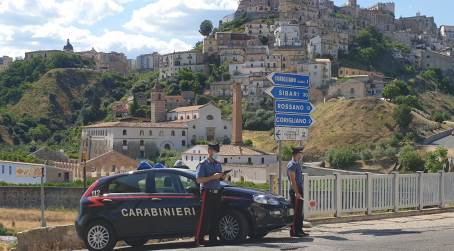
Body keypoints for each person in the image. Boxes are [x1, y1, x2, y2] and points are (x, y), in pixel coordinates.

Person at [194, 143, 225, 246]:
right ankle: (200, 239)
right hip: (207, 193)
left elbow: (218, 178)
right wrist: (213, 177)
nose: (216, 153)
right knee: (205, 217)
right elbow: (199, 180)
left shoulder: (218, 164)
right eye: (215, 151)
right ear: (209, 151)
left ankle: (213, 239)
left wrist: (222, 177)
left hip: (216, 192)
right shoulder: (203, 164)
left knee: (215, 216)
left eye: (217, 151)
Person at [287, 146, 309, 238]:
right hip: (296, 189)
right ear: (297, 154)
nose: (301, 156)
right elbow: (293, 181)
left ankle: (299, 230)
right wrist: (296, 192)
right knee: (296, 212)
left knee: (299, 211)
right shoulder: (292, 165)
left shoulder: (296, 164)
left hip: (299, 188)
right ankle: (295, 231)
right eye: (300, 154)